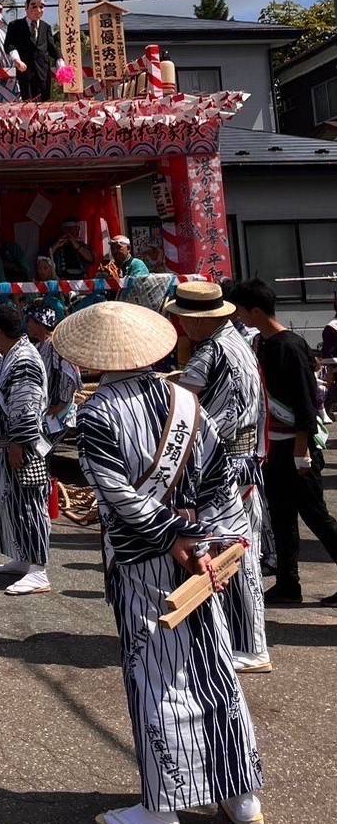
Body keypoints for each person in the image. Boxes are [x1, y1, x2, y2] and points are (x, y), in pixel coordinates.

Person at [59, 300, 264, 824]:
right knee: (212, 667)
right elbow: (222, 476)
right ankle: (241, 796)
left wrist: (172, 538)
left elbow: (115, 494)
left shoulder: (98, 413)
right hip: (200, 555)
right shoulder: (187, 401)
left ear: (94, 357)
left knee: (155, 677)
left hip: (143, 558)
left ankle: (162, 808)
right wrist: (212, 541)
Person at [172, 281, 270, 672]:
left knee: (232, 555)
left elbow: (183, 404)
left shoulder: (212, 352)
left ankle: (250, 644)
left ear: (196, 320)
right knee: (238, 551)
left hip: (223, 463)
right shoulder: (238, 343)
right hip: (244, 457)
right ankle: (241, 637)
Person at [229, 277, 337, 607]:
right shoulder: (262, 344)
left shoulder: (288, 346)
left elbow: (306, 404)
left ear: (257, 311)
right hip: (273, 446)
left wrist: (301, 452)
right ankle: (289, 583)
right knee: (281, 517)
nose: (240, 318)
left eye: (243, 312)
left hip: (296, 446)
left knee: (317, 516)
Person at [0, 302, 52, 595]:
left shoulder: (22, 359)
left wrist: (17, 444)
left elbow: (24, 407)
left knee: (29, 503)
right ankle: (24, 558)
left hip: (21, 445)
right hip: (11, 443)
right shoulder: (14, 354)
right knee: (14, 503)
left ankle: (38, 570)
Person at [26, 305, 80, 443]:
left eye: (30, 321)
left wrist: (61, 404)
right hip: (47, 410)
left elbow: (68, 375)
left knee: (44, 448)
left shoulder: (55, 347)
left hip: (58, 413)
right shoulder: (40, 347)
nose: (27, 325)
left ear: (40, 324)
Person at [4, 0, 63, 101]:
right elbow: (9, 45)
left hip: (43, 73)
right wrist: (17, 60)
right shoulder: (15, 26)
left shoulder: (46, 27)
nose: (38, 10)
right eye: (34, 6)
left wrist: (60, 61)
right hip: (25, 71)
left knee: (44, 104)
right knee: (28, 104)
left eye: (41, 6)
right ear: (26, 7)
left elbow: (52, 48)